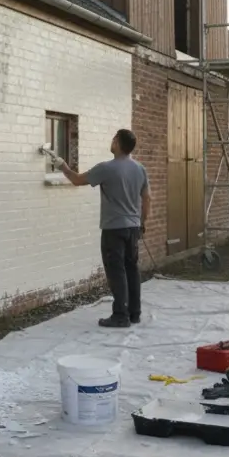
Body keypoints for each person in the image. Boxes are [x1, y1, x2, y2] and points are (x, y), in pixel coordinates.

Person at [52, 129, 151, 328]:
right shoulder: (140, 168)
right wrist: (142, 223)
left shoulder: (107, 168)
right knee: (132, 269)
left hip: (114, 229)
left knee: (117, 272)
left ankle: (120, 316)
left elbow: (77, 180)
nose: (111, 141)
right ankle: (134, 313)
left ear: (118, 144)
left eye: (114, 139)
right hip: (133, 228)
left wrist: (61, 165)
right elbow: (147, 198)